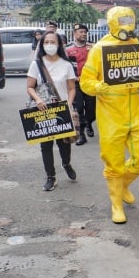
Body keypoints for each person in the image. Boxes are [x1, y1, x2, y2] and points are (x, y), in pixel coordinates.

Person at [81, 6, 139, 224]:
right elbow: (85, 82)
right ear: (112, 23)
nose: (126, 25)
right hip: (110, 115)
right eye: (122, 21)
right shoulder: (99, 49)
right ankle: (116, 204)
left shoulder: (135, 46)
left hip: (136, 111)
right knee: (113, 161)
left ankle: (123, 184)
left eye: (129, 20)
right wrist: (98, 87)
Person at [26, 31, 78, 191]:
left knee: (65, 143)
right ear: (42, 45)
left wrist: (69, 103)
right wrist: (38, 99)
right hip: (44, 110)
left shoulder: (67, 64)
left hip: (62, 109)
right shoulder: (37, 64)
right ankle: (51, 177)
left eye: (52, 42)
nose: (49, 45)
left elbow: (71, 88)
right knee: (46, 145)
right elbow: (29, 87)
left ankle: (66, 164)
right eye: (46, 42)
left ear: (59, 45)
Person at [66, 23, 96, 145]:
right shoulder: (68, 49)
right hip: (76, 83)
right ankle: (81, 134)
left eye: (85, 32)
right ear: (75, 34)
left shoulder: (93, 48)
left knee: (91, 109)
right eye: (80, 32)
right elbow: (65, 67)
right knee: (78, 109)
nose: (83, 34)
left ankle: (89, 123)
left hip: (90, 83)